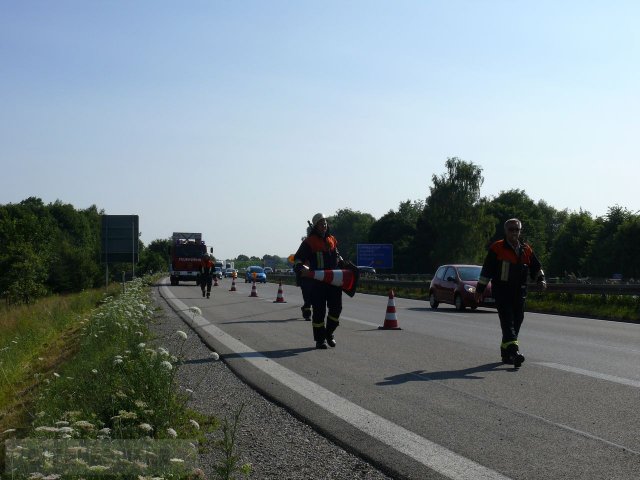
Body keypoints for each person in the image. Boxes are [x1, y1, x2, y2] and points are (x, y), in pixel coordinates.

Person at [474, 218, 546, 367]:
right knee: (507, 321)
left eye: (517, 229)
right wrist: (480, 289)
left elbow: (536, 267)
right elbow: (486, 271)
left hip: (520, 292)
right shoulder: (497, 248)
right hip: (502, 292)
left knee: (517, 321)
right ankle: (514, 352)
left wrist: (541, 279)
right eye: (511, 229)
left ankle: (506, 353)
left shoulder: (526, 249)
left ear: (520, 231)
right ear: (505, 231)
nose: (514, 232)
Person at [294, 213, 345, 349]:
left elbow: (338, 256)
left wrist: (343, 264)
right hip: (317, 283)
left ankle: (329, 333)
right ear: (316, 226)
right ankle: (320, 340)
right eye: (321, 224)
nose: (324, 226)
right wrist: (300, 268)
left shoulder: (332, 239)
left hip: (334, 281)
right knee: (319, 312)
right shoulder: (309, 242)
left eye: (325, 223)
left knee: (336, 309)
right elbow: (298, 259)